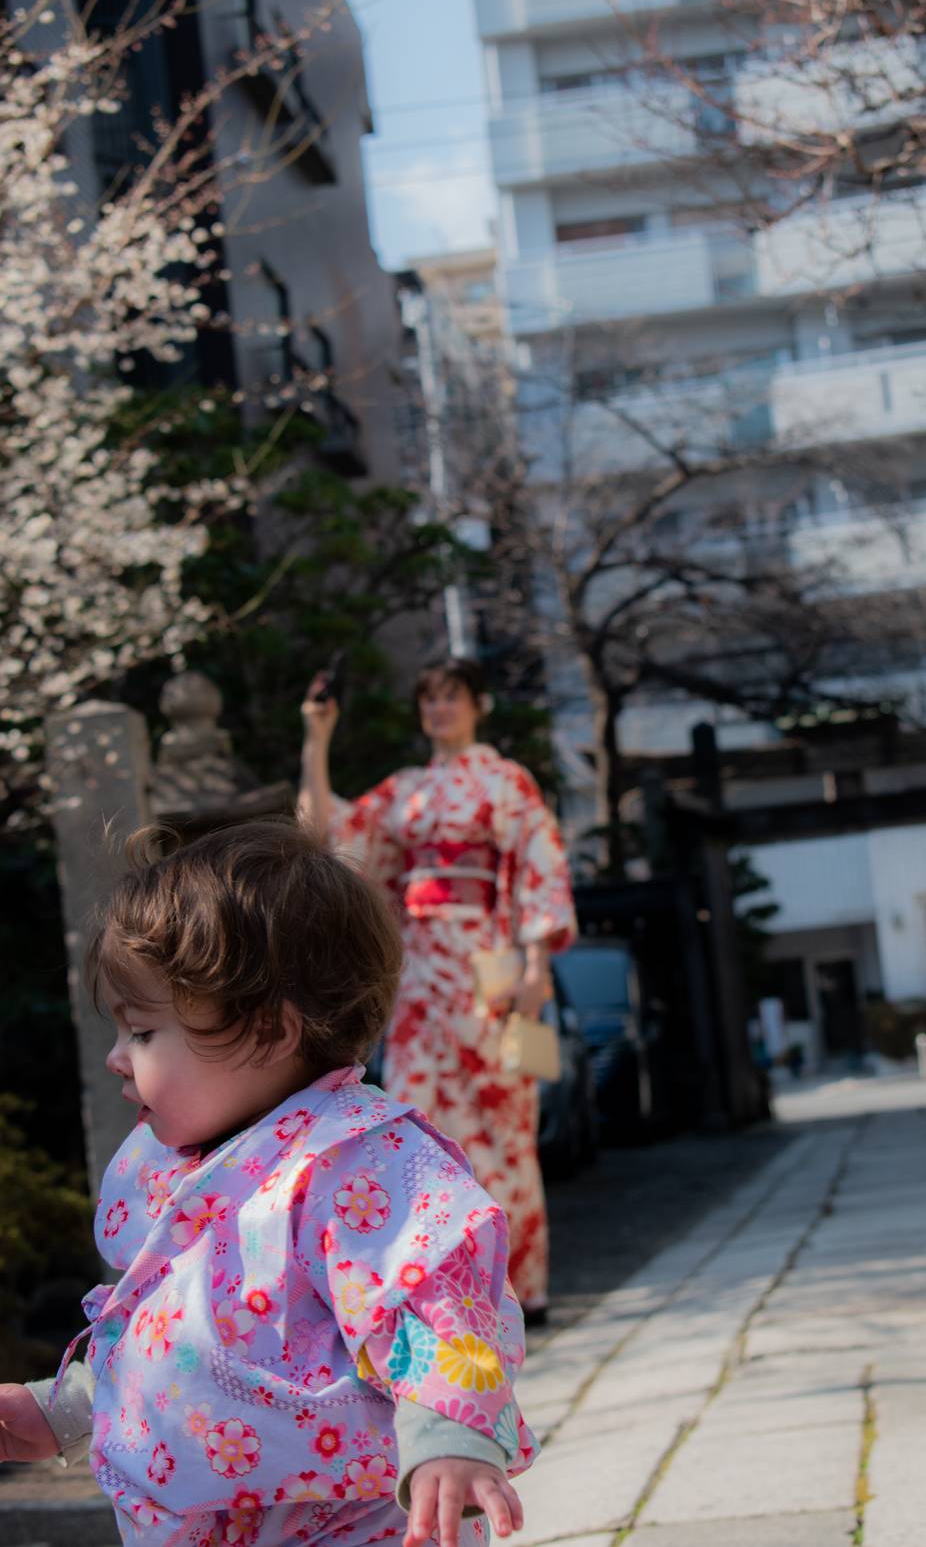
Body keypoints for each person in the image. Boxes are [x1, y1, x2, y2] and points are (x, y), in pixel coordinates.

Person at [0, 822, 534, 1547]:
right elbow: (180, 1350)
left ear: (270, 1033)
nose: (118, 1060)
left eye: (145, 1033)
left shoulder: (351, 1160)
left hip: (341, 1528)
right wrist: (58, 1413)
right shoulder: (195, 1169)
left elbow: (431, 1303)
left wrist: (448, 1432)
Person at [299, 658, 576, 1325]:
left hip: (491, 960)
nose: (439, 711)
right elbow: (325, 836)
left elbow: (539, 862)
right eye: (430, 700)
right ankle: (444, 1278)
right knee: (419, 1123)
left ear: (478, 704)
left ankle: (520, 1283)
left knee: (503, 1120)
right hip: (421, 968)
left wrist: (536, 965)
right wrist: (317, 739)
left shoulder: (506, 780)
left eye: (452, 698)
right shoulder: (406, 790)